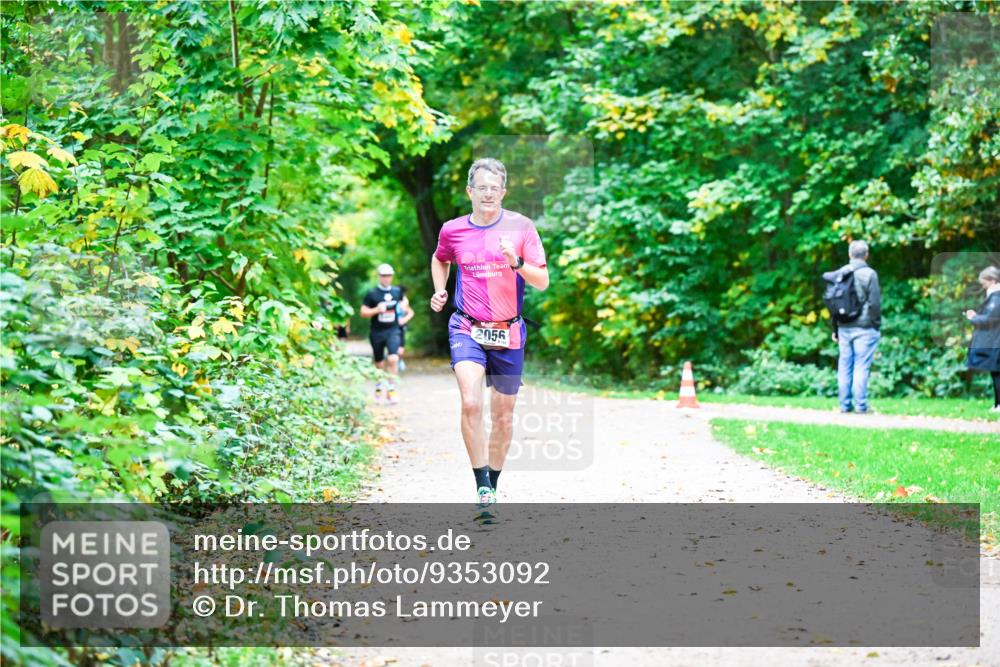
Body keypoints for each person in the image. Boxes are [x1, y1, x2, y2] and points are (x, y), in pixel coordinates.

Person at [429, 158, 548, 506]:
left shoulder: (522, 227)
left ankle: (492, 483)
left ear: (503, 192)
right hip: (467, 325)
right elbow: (441, 258)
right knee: (470, 403)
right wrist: (440, 289)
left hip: (508, 331)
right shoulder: (453, 230)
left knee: (503, 416)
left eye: (494, 188)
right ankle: (481, 484)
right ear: (470, 191)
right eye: (481, 187)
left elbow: (542, 281)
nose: (488, 194)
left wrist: (517, 263)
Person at [831, 240, 881, 414]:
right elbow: (874, 303)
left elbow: (834, 303)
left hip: (844, 327)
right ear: (866, 255)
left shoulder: (841, 273)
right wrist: (876, 324)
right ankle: (861, 407)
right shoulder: (870, 274)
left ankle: (844, 406)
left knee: (845, 365)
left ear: (850, 254)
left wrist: (835, 329)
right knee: (861, 365)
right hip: (865, 328)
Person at [360, 264, 413, 404]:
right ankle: (378, 386)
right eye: (384, 275)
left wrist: (403, 308)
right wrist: (377, 310)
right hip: (377, 332)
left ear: (392, 276)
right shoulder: (372, 294)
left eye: (389, 275)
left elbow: (405, 304)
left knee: (393, 358)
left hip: (393, 330)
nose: (386, 278)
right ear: (379, 276)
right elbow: (363, 312)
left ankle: (391, 388)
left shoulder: (397, 291)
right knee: (379, 363)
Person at [964, 265, 1000, 412]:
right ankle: (997, 404)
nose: (982, 285)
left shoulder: (996, 298)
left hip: (996, 341)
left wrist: (973, 317)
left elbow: (990, 320)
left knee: (997, 373)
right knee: (995, 372)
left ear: (992, 280)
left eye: (983, 282)